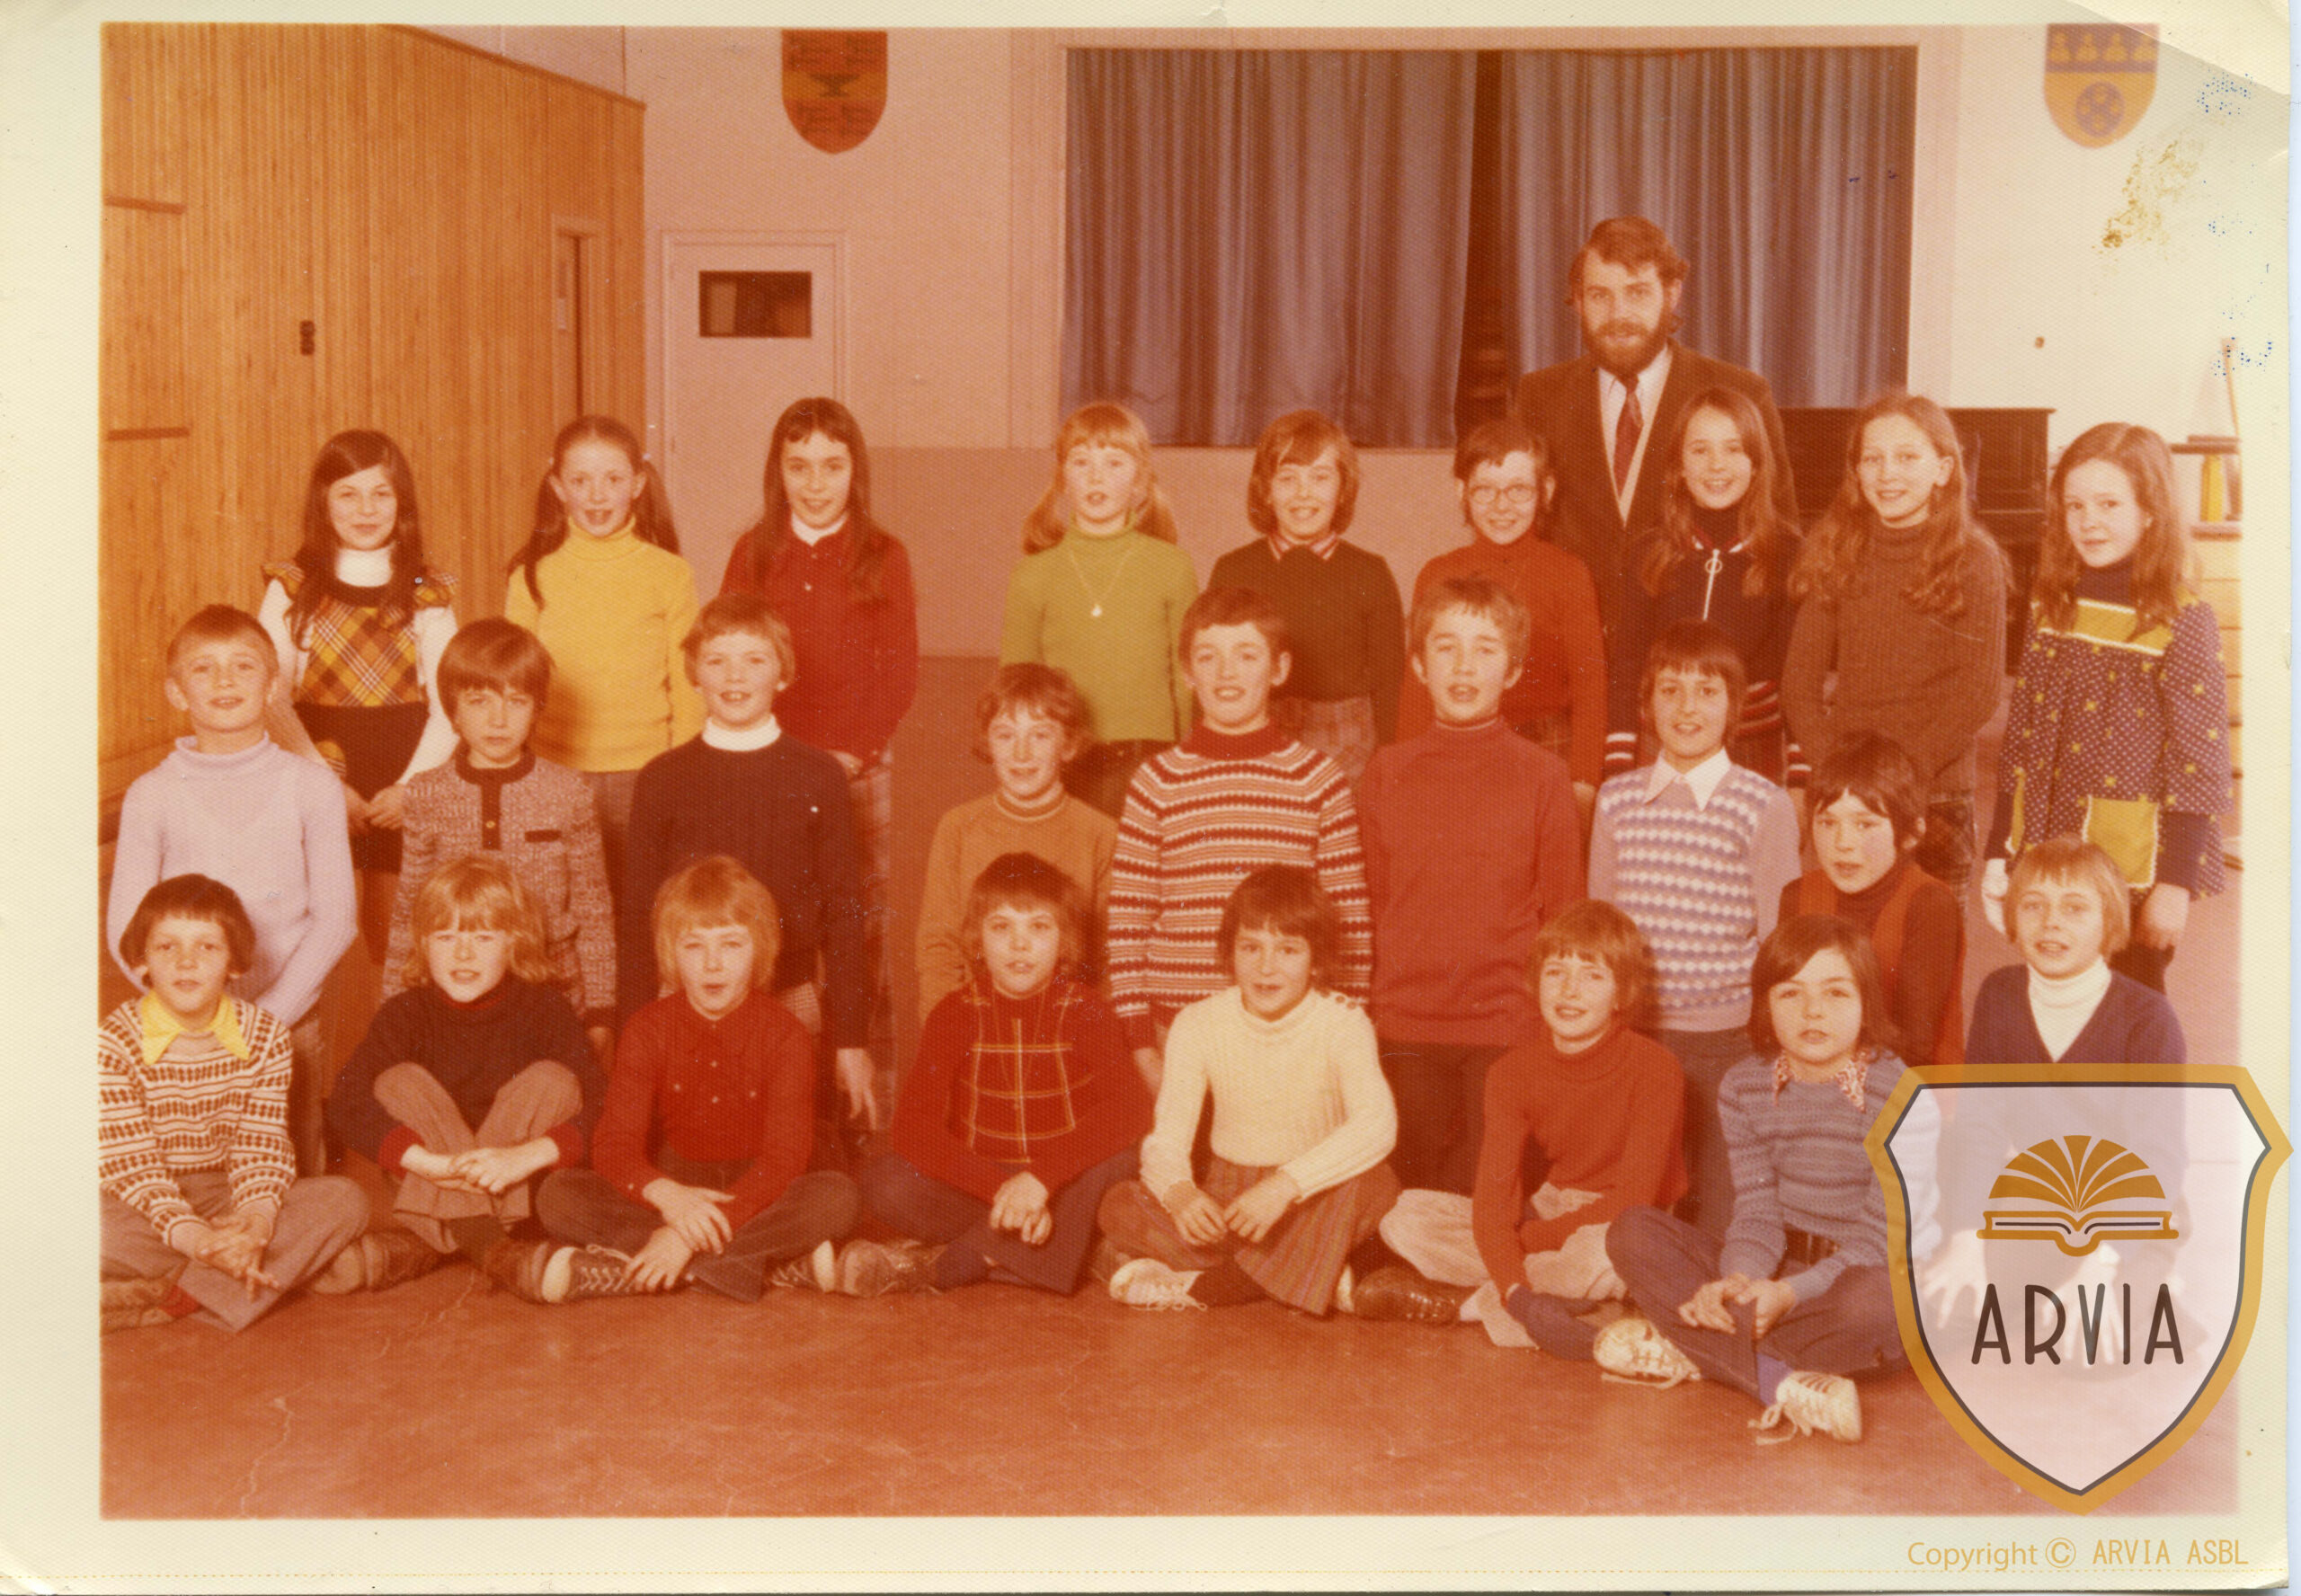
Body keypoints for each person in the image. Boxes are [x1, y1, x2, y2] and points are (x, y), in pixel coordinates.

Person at [1601, 915, 1909, 1445]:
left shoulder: (1898, 1092)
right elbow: (1757, 1212)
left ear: (1867, 1004)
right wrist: (1737, 1283)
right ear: (1765, 1004)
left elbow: (1877, 1241)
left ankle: (1694, 1348)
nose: (1813, 1011)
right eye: (1790, 993)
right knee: (1632, 1231)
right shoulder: (1744, 1085)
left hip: (1851, 1281)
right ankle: (1778, 1380)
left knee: (1880, 1303)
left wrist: (1786, 1295)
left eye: (1836, 993)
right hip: (1773, 1276)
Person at [536, 856, 860, 1302]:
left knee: (837, 1197)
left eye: (731, 944)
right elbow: (614, 1143)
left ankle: (646, 1266)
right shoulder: (647, 1028)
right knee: (558, 1195)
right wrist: (669, 1198)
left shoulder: (787, 1033)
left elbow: (783, 1161)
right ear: (671, 953)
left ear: (760, 949)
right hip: (676, 1177)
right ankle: (762, 1266)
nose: (712, 964)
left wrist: (681, 1237)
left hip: (759, 1184)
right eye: (693, 946)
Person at [1981, 421, 2232, 992]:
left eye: (2109, 504)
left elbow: (2200, 764)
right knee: (2055, 1000)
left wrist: (2175, 884)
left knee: (2127, 1013)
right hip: (2045, 856)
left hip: (2130, 871)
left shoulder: (2181, 618)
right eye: (2074, 505)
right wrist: (2000, 851)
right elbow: (2021, 738)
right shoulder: (2050, 606)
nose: (2088, 521)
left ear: (2150, 512)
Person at [106, 605, 357, 1174]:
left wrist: (266, 1021)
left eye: (244, 666)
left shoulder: (311, 786)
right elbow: (127, 929)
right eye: (204, 668)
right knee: (195, 1173)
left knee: (293, 1172)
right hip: (185, 1024)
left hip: (288, 1018)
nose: (224, 680)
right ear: (177, 692)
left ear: (272, 688)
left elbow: (337, 920)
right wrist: (190, 1012)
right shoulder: (152, 795)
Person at [619, 593, 878, 1140]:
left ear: (783, 674)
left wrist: (852, 1041)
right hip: (687, 997)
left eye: (754, 660)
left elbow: (845, 916)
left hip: (789, 995)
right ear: (695, 675)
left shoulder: (819, 776)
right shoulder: (662, 778)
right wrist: (631, 1038)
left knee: (800, 1152)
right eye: (717, 660)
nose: (735, 676)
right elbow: (638, 917)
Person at [1373, 901, 1684, 1350]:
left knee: (1603, 1256)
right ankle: (1554, 1303)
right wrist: (1519, 1263)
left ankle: (1469, 1306)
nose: (1570, 991)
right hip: (1552, 1206)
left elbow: (1634, 1199)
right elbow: (1493, 1203)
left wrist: (1528, 1242)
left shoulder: (1656, 1067)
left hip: (1630, 1222)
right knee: (1404, 1218)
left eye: (1592, 976)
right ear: (1536, 983)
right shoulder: (1510, 1072)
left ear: (1622, 994)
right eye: (1556, 972)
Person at [1358, 576, 1584, 1193]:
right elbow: (1372, 907)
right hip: (1407, 1027)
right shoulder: (1387, 772)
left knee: (1487, 1198)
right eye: (1446, 647)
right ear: (1418, 665)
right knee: (1405, 1201)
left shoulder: (1543, 776)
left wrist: (1549, 1027)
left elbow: (1565, 915)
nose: (1463, 666)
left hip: (1507, 1028)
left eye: (1485, 649)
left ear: (1513, 671)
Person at [842, 853, 1151, 1297]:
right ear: (977, 939)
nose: (1019, 944)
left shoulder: (1087, 1011)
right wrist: (1006, 1191)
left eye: (1039, 927)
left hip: (1067, 1178)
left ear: (1065, 941)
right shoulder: (954, 1013)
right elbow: (912, 1127)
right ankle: (1070, 1248)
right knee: (885, 1182)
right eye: (1001, 927)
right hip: (986, 1182)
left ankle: (968, 1260)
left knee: (1126, 1156)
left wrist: (1040, 1180)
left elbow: (1131, 1108)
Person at [1106, 586, 1373, 1093]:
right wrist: (1140, 1042)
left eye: (1247, 655)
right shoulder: (1156, 781)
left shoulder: (1319, 779)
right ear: (1188, 673)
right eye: (1208, 657)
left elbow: (1349, 917)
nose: (1226, 673)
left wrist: (1346, 1028)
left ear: (1279, 669)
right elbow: (1127, 922)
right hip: (1176, 1027)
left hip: (1290, 1029)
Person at [1097, 867, 1399, 1314]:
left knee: (1378, 1185)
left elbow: (1377, 1125)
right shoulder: (1197, 1022)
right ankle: (1313, 1269)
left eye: (1288, 950)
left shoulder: (1343, 1020)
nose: (1266, 967)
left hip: (1312, 1194)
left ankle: (1223, 1284)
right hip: (1230, 1199)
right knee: (1119, 1205)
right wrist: (1181, 1195)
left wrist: (1285, 1186)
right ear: (1230, 953)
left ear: (1317, 961)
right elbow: (1166, 1141)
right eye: (1250, 947)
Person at [1589, 620, 1799, 1237]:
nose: (1687, 708)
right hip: (1639, 1035)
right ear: (1646, 705)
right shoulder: (1616, 801)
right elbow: (1601, 929)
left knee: (1722, 1204)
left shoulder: (1762, 804)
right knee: (1639, 1199)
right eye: (1670, 690)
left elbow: (1778, 942)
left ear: (1735, 706)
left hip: (1726, 1041)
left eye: (1707, 691)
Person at [719, 397, 919, 1047]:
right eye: (798, 467)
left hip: (856, 768)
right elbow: (729, 657)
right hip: (770, 765)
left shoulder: (884, 554)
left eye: (831, 467)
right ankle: (778, 1062)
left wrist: (853, 753)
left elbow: (900, 674)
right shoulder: (753, 553)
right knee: (771, 914)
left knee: (860, 921)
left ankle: (861, 1069)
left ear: (854, 472)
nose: (814, 484)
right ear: (777, 473)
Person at [326, 855, 608, 1303]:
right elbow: (346, 1100)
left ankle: (426, 1246)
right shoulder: (405, 1013)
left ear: (514, 942)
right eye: (446, 936)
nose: (463, 954)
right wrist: (427, 1164)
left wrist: (524, 1158)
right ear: (423, 943)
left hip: (517, 1183)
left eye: (482, 937)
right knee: (397, 1081)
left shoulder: (545, 1009)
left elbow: (603, 1104)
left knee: (555, 1080)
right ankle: (497, 1252)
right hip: (430, 1173)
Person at [101, 875, 369, 1333]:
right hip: (140, 1202)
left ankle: (175, 1297)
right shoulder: (113, 1043)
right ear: (141, 960)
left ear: (235, 963)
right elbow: (133, 1168)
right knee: (74, 1226)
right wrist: (196, 1239)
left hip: (227, 1193)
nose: (186, 961)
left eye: (207, 947)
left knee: (346, 1200)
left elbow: (260, 1148)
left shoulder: (266, 1036)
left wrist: (256, 1224)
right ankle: (255, 1272)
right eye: (166, 947)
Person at [1514, 217, 1796, 634]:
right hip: (1571, 645)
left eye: (1638, 293)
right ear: (1578, 301)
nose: (1619, 314)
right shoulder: (1540, 396)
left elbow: (1779, 539)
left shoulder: (1741, 391)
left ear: (1672, 293)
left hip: (1693, 653)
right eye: (1600, 295)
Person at [1781, 393, 2007, 888]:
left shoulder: (1975, 558)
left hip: (1935, 790)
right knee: (1850, 930)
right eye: (1873, 459)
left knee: (1933, 926)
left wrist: (1903, 776)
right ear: (1856, 472)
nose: (1888, 474)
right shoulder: (1836, 549)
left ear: (1943, 469)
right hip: (1850, 794)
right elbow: (1799, 683)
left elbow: (1979, 690)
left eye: (1907, 457)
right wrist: (1839, 772)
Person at [257, 430, 459, 959]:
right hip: (319, 775)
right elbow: (271, 699)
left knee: (396, 937)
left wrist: (410, 789)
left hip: (401, 783)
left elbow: (450, 707)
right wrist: (324, 787)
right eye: (348, 494)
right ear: (323, 503)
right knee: (325, 935)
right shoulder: (291, 586)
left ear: (402, 502)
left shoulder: (427, 591)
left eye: (381, 494)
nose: (366, 510)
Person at [383, 618, 616, 1063]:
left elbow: (593, 909)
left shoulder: (569, 791)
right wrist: (393, 1009)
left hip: (554, 995)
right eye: (479, 701)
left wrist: (601, 1011)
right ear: (453, 709)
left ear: (537, 708)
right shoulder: (426, 794)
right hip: (455, 1003)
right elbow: (410, 911)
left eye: (516, 701)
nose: (498, 720)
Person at [503, 414, 702, 876]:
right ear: (558, 488)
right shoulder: (532, 576)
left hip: (647, 773)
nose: (597, 495)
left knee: (645, 898)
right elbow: (515, 682)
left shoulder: (670, 574)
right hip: (556, 770)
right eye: (580, 481)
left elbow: (687, 683)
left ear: (637, 484)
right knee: (561, 898)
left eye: (612, 479)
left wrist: (683, 770)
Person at [1394, 416, 1606, 810]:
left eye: (1518, 490)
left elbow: (1590, 686)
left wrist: (1583, 780)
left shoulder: (1568, 573)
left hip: (1546, 748)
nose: (1501, 506)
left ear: (1546, 490)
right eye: (1485, 491)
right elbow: (1417, 689)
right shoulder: (1438, 574)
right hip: (1458, 745)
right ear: (1461, 491)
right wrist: (1408, 768)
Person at [1000, 401, 1200, 816]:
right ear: (1062, 479)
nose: (1096, 477)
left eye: (1114, 463)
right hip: (1065, 759)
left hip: (1150, 758)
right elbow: (1017, 686)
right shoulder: (1032, 574)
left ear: (1139, 480)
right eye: (1081, 462)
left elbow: (1187, 680)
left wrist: (1189, 761)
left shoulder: (1172, 567)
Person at [1612, 386, 1806, 790]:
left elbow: (1798, 676)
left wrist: (1801, 777)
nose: (1717, 465)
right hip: (1664, 744)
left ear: (1756, 463)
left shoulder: (1789, 554)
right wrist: (1618, 761)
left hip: (1751, 745)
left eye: (1733, 449)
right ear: (1679, 466)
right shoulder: (1650, 551)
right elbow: (1627, 662)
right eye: (1700, 450)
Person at [1207, 410, 1405, 781]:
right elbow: (1210, 669)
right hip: (1256, 728)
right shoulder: (1233, 570)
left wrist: (1388, 765)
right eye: (1287, 478)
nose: (1303, 493)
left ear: (1342, 490)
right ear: (1266, 491)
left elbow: (1389, 684)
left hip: (1348, 741)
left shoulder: (1370, 572)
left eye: (1320, 477)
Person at [914, 663, 1116, 1024]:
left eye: (1040, 735)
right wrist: (944, 1031)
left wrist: (1092, 1034)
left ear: (1068, 744)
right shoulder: (958, 828)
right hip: (976, 1024)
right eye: (1006, 735)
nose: (1021, 753)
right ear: (987, 743)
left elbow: (1112, 959)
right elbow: (938, 947)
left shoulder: (1101, 833)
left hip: (1071, 1027)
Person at [1780, 732, 1964, 1069]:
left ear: (1911, 834)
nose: (1843, 842)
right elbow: (1783, 1016)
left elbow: (1914, 1046)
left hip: (1904, 1085)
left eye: (1865, 824)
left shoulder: (1930, 904)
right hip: (1813, 1078)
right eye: (1827, 822)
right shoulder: (1796, 896)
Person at [1967, 837, 2185, 1065]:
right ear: (2012, 916)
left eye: (2074, 908)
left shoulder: (2150, 1021)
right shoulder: (1998, 992)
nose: (2051, 921)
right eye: (2034, 905)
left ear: (2109, 921)